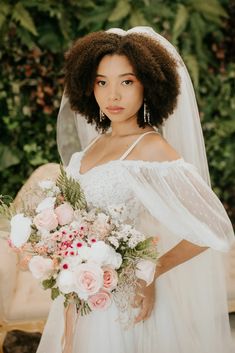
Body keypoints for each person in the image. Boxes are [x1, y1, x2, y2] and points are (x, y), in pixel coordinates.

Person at [36, 27, 234, 353]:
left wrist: (151, 271)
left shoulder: (151, 148)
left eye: (126, 82)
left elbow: (216, 227)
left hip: (124, 310)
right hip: (81, 301)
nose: (112, 95)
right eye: (102, 82)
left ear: (148, 85)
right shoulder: (88, 150)